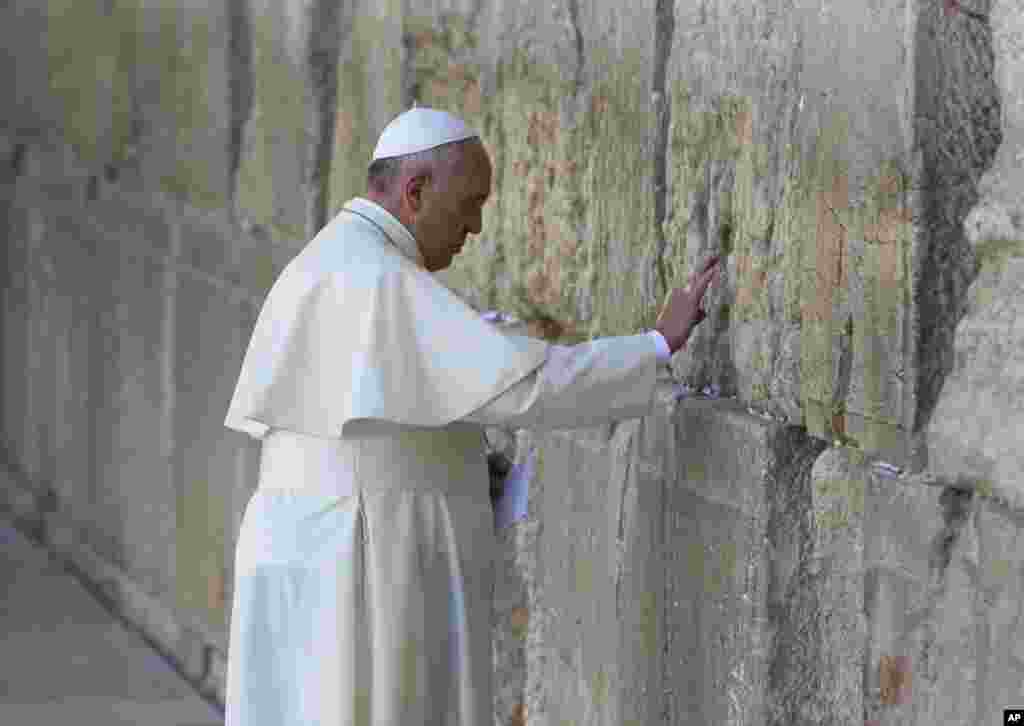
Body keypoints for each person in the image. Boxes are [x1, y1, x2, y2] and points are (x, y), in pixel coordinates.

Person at [222, 106, 720, 726]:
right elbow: (528, 386)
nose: (477, 226)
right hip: (354, 569)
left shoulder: (333, 261)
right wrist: (654, 345)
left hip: (307, 554)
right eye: (470, 203)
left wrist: (460, 459)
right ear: (416, 191)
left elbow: (376, 426)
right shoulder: (379, 279)